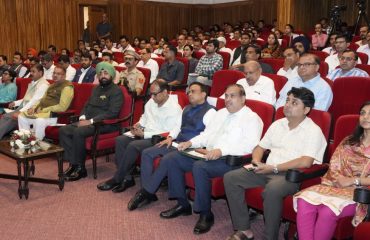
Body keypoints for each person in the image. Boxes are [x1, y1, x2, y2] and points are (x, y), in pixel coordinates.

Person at [225, 87, 327, 240]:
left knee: (272, 190)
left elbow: (306, 162)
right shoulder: (278, 124)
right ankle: (243, 229)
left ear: (306, 109)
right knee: (231, 178)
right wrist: (256, 161)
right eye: (287, 100)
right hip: (266, 169)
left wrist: (274, 168)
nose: (287, 105)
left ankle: (270, 237)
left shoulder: (313, 130)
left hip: (290, 175)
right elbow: (260, 147)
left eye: (294, 102)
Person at [160, 84, 263, 235]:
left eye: (232, 96)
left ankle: (205, 214)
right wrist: (191, 143)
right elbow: (207, 135)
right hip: (208, 155)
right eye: (226, 96)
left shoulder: (252, 118)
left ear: (243, 98)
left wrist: (221, 151)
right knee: (173, 158)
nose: (227, 99)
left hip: (231, 160)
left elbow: (250, 147)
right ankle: (183, 204)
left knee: (200, 167)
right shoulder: (220, 113)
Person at [127, 82, 216, 210]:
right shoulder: (186, 108)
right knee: (147, 153)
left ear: (203, 94)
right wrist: (170, 137)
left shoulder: (210, 112)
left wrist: (190, 143)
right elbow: (177, 127)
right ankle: (147, 192)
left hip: (193, 148)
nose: (189, 94)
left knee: (168, 159)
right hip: (177, 143)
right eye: (189, 91)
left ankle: (145, 192)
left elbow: (207, 136)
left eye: (193, 91)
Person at [294, 101, 370, 240]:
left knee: (327, 211)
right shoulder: (349, 141)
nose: (365, 117)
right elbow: (334, 165)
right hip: (336, 185)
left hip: (360, 193)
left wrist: (353, 180)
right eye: (363, 113)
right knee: (304, 200)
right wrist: (339, 180)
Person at [96, 80, 182, 192]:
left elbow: (168, 132)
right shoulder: (152, 101)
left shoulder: (174, 109)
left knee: (133, 145)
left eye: (155, 94)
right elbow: (144, 117)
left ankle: (117, 178)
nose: (152, 97)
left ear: (165, 92)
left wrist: (144, 134)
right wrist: (139, 124)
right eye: (151, 94)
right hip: (145, 132)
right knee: (120, 140)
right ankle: (127, 178)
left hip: (159, 138)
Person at [60, 62, 123, 181]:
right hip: (88, 122)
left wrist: (91, 121)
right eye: (100, 73)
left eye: (106, 73)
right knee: (64, 130)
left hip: (105, 124)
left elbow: (112, 113)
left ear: (112, 75)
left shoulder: (116, 91)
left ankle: (80, 168)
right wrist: (83, 117)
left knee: (79, 132)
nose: (103, 76)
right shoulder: (96, 89)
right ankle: (73, 164)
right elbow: (87, 105)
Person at [18, 65, 74, 140]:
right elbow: (42, 100)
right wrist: (33, 108)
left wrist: (44, 110)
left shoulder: (67, 87)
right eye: (54, 73)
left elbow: (62, 107)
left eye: (58, 74)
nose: (55, 75)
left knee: (39, 120)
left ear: (64, 75)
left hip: (53, 116)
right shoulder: (51, 86)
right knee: (21, 116)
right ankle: (25, 140)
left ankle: (36, 143)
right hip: (41, 113)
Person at [0, 64, 49, 139]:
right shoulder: (33, 82)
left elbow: (34, 101)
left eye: (33, 71)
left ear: (40, 73)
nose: (31, 73)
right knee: (6, 116)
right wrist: (15, 103)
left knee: (9, 118)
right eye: (30, 71)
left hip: (31, 111)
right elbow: (26, 99)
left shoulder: (43, 85)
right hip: (23, 108)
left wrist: (20, 111)